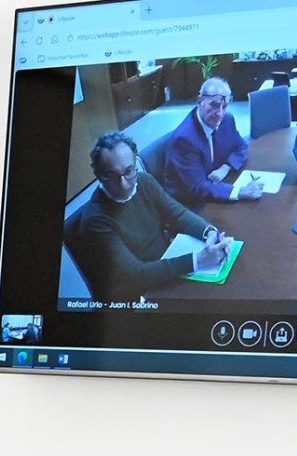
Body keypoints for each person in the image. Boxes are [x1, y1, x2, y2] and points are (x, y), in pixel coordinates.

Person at [65, 133, 228, 298]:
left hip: (166, 264)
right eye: (112, 175)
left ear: (135, 163)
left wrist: (209, 232)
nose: (124, 184)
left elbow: (178, 214)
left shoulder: (143, 181)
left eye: (129, 171)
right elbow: (137, 274)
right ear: (99, 175)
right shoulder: (95, 220)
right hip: (138, 292)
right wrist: (198, 260)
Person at [153, 78, 263, 206]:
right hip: (189, 203)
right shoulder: (184, 139)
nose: (220, 113)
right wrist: (239, 191)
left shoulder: (227, 120)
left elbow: (241, 147)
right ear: (200, 101)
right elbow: (197, 187)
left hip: (213, 188)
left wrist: (226, 167)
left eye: (224, 106)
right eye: (214, 105)